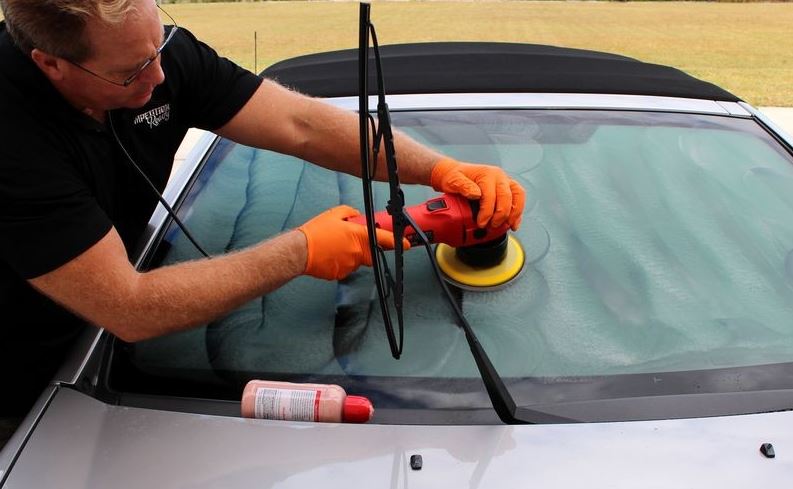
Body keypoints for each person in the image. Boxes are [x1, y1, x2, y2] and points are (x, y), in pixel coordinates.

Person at [0, 0, 525, 437]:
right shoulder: (13, 141)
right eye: (132, 73)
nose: (161, 77)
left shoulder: (151, 57)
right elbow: (130, 308)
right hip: (25, 374)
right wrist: (301, 250)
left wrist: (439, 169)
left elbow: (299, 124)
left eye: (158, 47)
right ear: (51, 64)